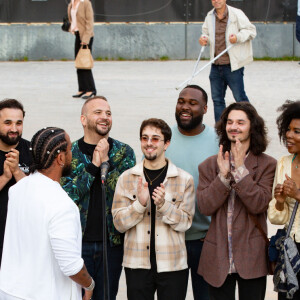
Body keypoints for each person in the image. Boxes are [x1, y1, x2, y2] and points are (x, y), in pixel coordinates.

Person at [0, 127, 94, 300]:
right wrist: (89, 284)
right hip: (44, 294)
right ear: (60, 158)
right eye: (69, 150)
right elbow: (70, 266)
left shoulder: (18, 189)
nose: (71, 155)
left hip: (10, 291)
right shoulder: (61, 204)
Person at [197, 102, 276, 300]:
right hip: (217, 256)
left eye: (241, 122)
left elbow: (259, 204)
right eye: (230, 122)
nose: (234, 127)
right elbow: (205, 207)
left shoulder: (268, 165)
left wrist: (240, 170)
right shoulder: (209, 165)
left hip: (252, 255)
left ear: (252, 126)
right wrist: (223, 177)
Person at [61, 96, 136, 300]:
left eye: (108, 113)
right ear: (83, 120)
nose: (105, 117)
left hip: (111, 244)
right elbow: (66, 196)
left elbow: (128, 194)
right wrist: (93, 168)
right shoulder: (69, 154)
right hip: (77, 243)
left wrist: (106, 164)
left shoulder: (123, 152)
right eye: (98, 112)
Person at [112, 118, 195, 300]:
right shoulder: (126, 178)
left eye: (155, 139)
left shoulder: (184, 179)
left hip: (172, 264)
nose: (149, 143)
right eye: (144, 138)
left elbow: (186, 223)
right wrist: (139, 205)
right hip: (137, 264)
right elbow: (118, 224)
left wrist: (164, 206)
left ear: (166, 144)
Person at [166, 84, 219, 300]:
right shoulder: (163, 138)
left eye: (193, 103)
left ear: (205, 109)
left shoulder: (219, 141)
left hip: (206, 240)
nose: (185, 107)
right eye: (181, 101)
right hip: (170, 239)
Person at [199, 0, 256, 122]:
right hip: (215, 65)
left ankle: (253, 124)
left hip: (232, 66)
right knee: (217, 100)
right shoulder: (210, 16)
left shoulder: (236, 13)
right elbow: (206, 34)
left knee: (240, 98)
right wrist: (204, 39)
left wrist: (238, 37)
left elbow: (251, 31)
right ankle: (220, 130)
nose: (216, 1)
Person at [268, 100, 300, 300]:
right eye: (288, 129)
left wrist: (297, 195)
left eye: (297, 131)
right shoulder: (284, 163)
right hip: (291, 251)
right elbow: (276, 219)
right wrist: (279, 202)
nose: (288, 135)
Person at [0, 99, 32, 266]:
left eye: (18, 123)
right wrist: (5, 176)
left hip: (22, 242)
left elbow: (40, 195)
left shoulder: (33, 150)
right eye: (8, 123)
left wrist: (17, 173)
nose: (14, 129)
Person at [68, 0, 97, 99]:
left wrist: (85, 39)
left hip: (86, 37)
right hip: (78, 35)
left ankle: (91, 89)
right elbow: (73, 19)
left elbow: (89, 22)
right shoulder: (71, 3)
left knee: (85, 63)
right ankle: (82, 88)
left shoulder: (85, 3)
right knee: (78, 62)